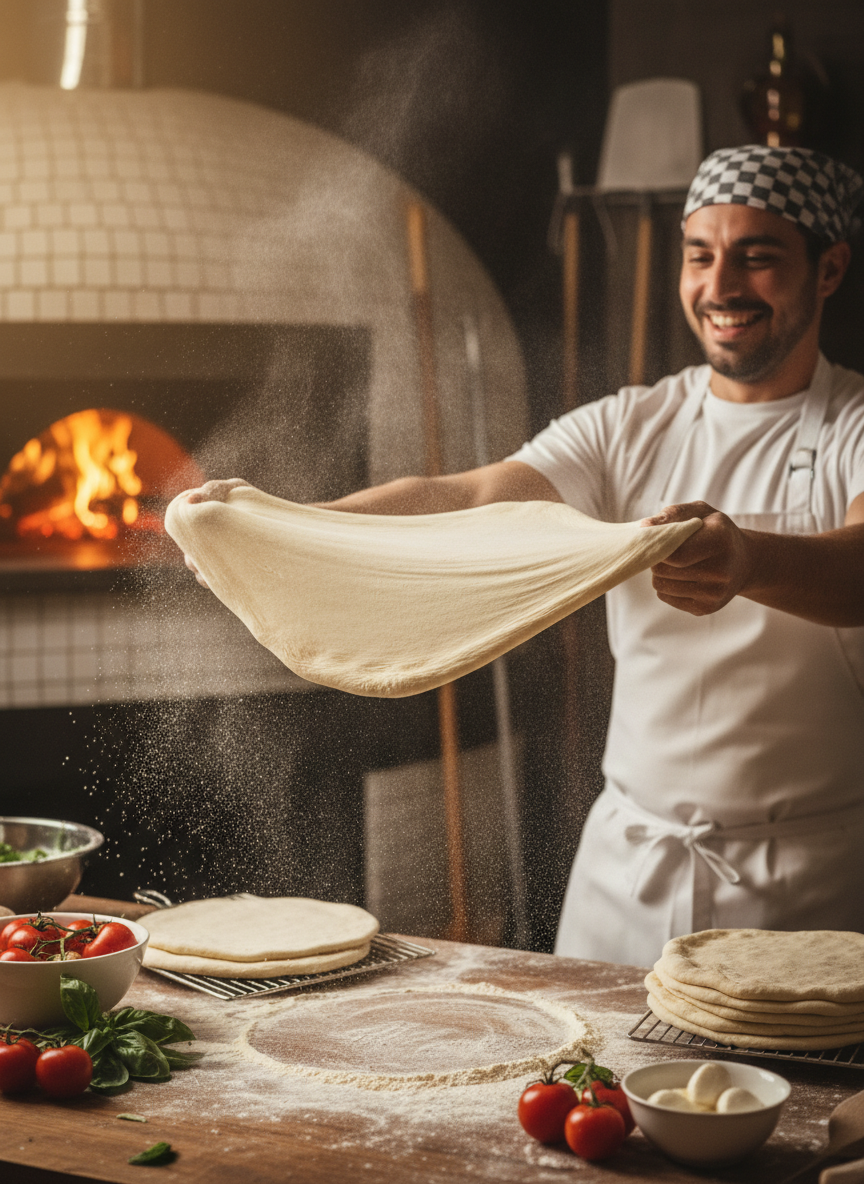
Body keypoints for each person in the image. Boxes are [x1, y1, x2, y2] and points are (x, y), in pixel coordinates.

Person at [185, 145, 864, 966]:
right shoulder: (632, 424)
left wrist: (751, 560)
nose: (720, 286)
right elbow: (471, 498)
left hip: (803, 887)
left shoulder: (853, 426)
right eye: (699, 255)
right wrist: (282, 525)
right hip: (628, 871)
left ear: (828, 270)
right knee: (590, 1092)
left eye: (756, 258)